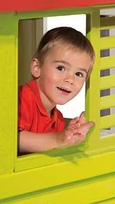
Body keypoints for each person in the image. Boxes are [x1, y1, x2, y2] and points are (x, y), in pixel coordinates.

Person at [18, 26, 95, 154]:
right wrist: (57, 140)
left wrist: (71, 137)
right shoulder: (22, 98)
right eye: (61, 68)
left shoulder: (58, 119)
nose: (70, 79)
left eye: (79, 74)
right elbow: (13, 140)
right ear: (37, 68)